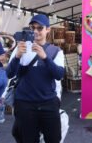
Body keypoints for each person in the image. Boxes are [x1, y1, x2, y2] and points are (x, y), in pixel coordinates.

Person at [7, 14, 65, 143]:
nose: (36, 31)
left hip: (48, 103)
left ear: (47, 29)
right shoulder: (21, 48)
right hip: (25, 104)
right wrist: (16, 57)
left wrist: (45, 57)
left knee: (53, 139)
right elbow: (9, 74)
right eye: (33, 28)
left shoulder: (56, 51)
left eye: (40, 28)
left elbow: (59, 75)